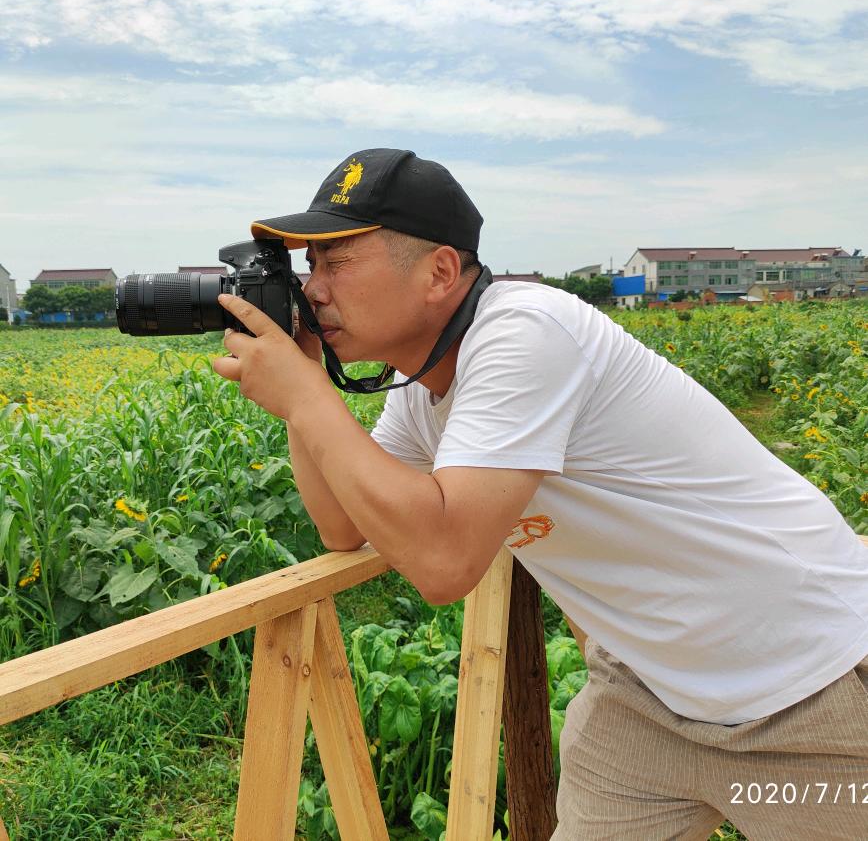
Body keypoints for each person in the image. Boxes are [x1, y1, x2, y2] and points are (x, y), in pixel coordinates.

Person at [211, 148, 868, 840]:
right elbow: (344, 528)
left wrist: (311, 401)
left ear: (439, 272)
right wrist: (300, 398)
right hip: (649, 698)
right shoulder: (423, 389)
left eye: (337, 261)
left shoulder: (525, 331)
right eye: (310, 266)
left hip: (809, 689)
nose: (313, 289)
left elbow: (443, 563)